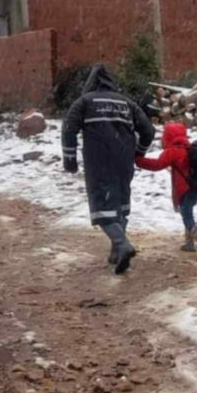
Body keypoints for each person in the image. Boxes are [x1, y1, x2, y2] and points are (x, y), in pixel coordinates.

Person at [61, 64, 154, 274]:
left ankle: (122, 244)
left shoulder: (84, 102)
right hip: (124, 159)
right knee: (120, 203)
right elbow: (148, 130)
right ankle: (116, 252)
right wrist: (138, 153)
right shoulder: (127, 103)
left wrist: (70, 160)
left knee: (102, 205)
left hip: (99, 159)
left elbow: (69, 129)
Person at [137, 122, 197, 262]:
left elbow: (157, 165)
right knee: (187, 211)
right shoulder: (189, 148)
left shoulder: (173, 151)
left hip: (185, 188)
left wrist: (139, 161)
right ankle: (189, 244)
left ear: (168, 137)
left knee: (186, 215)